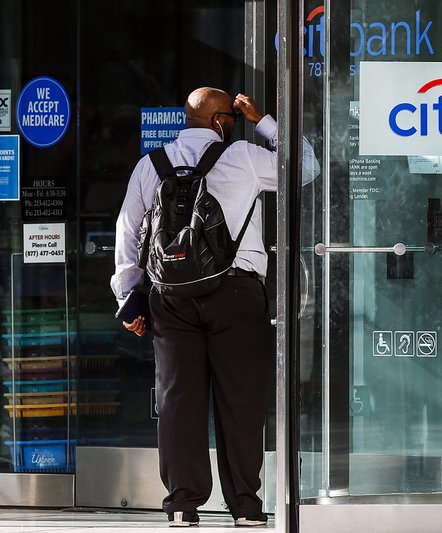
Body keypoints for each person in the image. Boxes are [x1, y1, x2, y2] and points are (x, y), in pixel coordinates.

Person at [110, 87, 319, 527]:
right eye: (233, 119)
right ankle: (244, 506)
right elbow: (305, 168)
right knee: (241, 402)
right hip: (237, 293)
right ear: (221, 121)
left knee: (177, 400)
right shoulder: (242, 156)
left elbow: (128, 231)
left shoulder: (152, 165)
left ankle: (184, 504)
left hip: (171, 299)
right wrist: (262, 120)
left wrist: (129, 295)